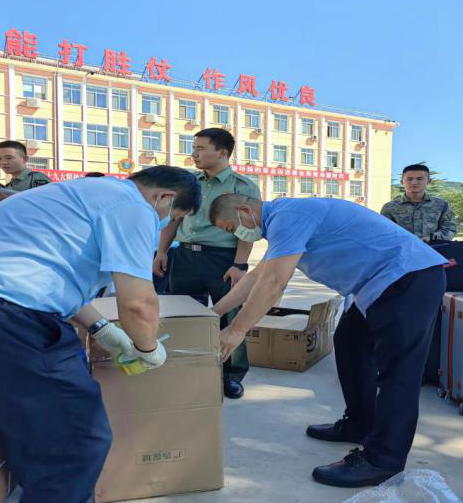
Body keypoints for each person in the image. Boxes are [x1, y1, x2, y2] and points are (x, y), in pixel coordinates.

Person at [0, 166, 201, 503]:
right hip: (11, 321)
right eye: (172, 217)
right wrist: (148, 348)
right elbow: (138, 304)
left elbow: (52, 278)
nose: (165, 224)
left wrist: (102, 329)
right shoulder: (133, 207)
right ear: (163, 197)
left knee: (37, 432)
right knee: (77, 441)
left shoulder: (84, 193)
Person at [208, 193, 447, 488]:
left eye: (232, 228)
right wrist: (213, 314)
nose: (238, 235)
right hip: (380, 284)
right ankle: (359, 424)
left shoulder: (290, 215)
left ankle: (382, 461)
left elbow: (274, 283)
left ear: (245, 210)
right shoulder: (284, 221)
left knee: (398, 373)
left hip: (407, 277)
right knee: (349, 344)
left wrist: (237, 330)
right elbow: (256, 278)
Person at [153, 128, 261, 399]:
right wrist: (162, 251)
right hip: (185, 256)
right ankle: (186, 370)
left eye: (200, 148)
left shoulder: (242, 186)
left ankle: (231, 376)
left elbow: (247, 229)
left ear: (222, 153)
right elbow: (175, 219)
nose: (194, 154)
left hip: (223, 259)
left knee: (229, 316)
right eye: (194, 148)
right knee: (182, 316)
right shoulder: (190, 183)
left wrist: (240, 265)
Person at [381, 163, 456, 242]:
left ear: (429, 181)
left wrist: (431, 238)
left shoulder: (442, 205)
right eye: (409, 179)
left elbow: (450, 229)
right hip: (402, 248)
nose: (414, 182)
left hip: (433, 248)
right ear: (402, 182)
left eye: (419, 179)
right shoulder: (389, 207)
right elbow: (384, 232)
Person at [0, 140, 52, 206]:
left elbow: (47, 206)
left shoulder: (37, 179)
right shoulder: (8, 186)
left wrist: (8, 201)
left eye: (9, 158)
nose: (3, 162)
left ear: (25, 159)